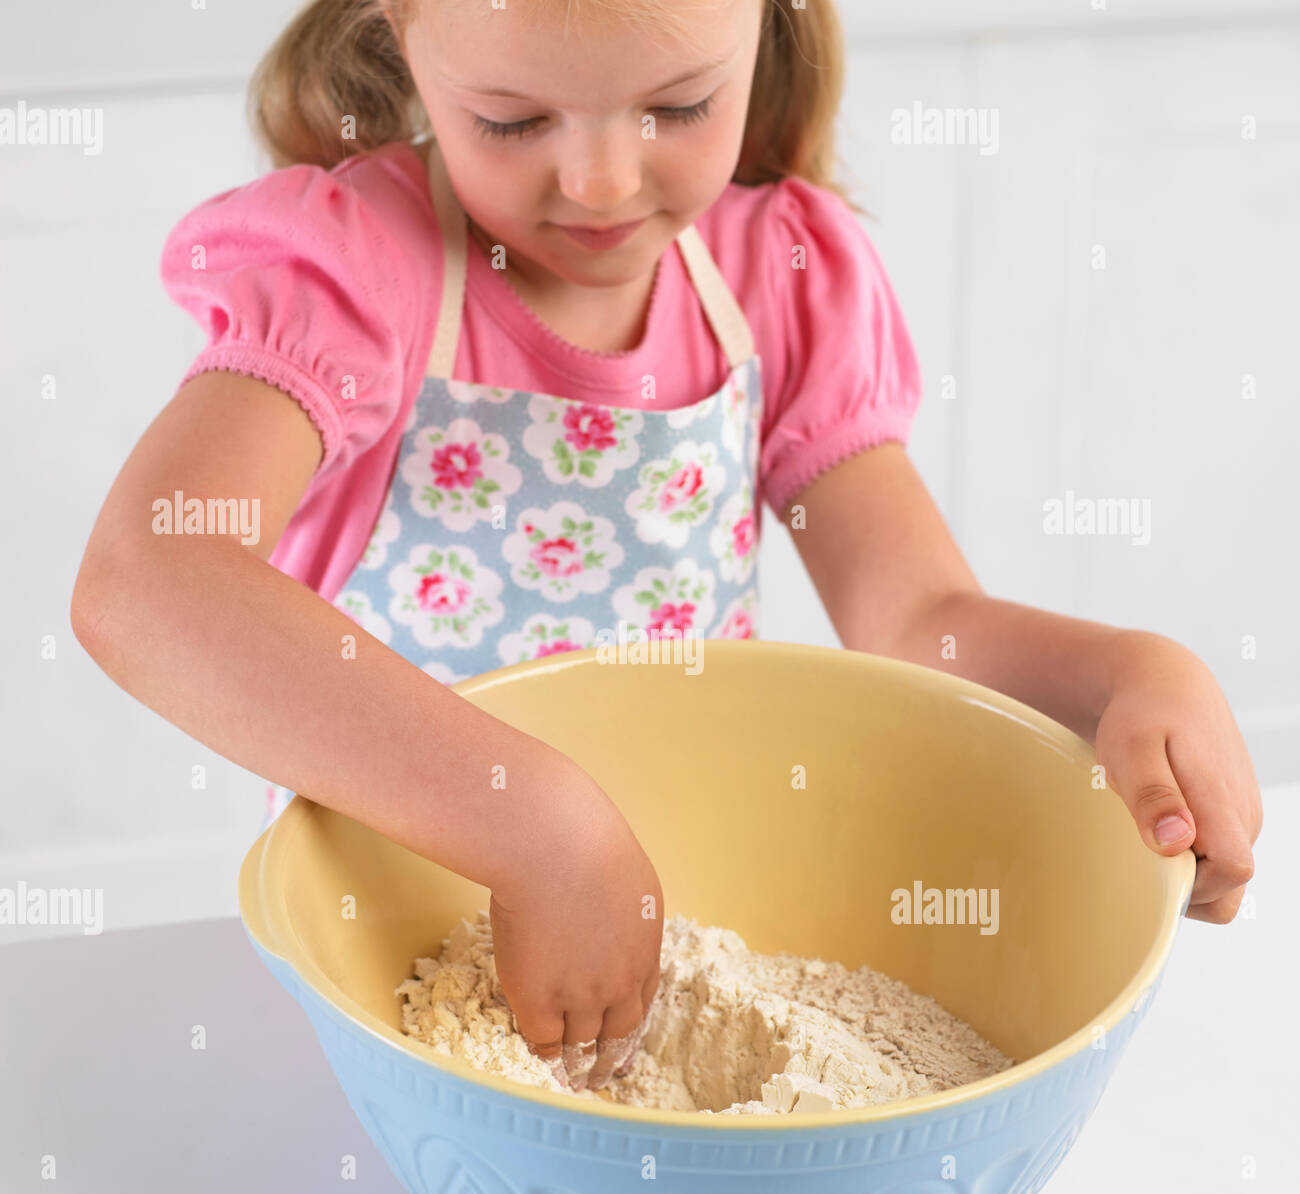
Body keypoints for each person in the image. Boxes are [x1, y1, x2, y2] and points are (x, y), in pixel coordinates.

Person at [70, 0, 1260, 1094]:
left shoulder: (774, 274)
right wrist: (535, 823)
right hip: (393, 961)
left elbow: (913, 619)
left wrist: (1125, 672)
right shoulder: (362, 270)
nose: (597, 181)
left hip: (686, 938)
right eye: (511, 118)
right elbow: (148, 581)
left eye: (678, 106)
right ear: (398, 34)